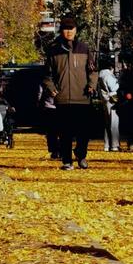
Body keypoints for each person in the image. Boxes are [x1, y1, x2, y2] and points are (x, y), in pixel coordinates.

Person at [43, 15, 98, 170]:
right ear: (62, 31)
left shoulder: (84, 48)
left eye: (71, 28)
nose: (69, 31)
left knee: (83, 132)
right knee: (65, 133)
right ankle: (67, 161)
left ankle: (81, 155)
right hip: (62, 99)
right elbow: (46, 75)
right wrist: (52, 89)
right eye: (66, 28)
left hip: (82, 98)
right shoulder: (53, 51)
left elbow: (93, 71)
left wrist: (91, 85)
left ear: (76, 30)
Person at [98, 60, 120, 151]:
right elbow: (113, 87)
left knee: (107, 123)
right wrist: (119, 83)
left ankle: (107, 144)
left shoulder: (100, 75)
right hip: (111, 99)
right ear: (110, 67)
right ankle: (114, 145)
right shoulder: (108, 75)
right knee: (114, 123)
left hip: (105, 99)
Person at [37, 83, 60, 159]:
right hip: (61, 106)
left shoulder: (45, 81)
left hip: (48, 107)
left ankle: (54, 150)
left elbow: (39, 94)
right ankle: (62, 150)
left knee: (51, 132)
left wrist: (39, 103)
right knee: (60, 130)